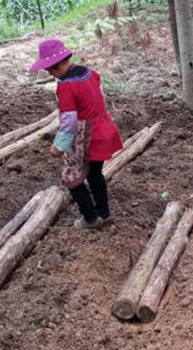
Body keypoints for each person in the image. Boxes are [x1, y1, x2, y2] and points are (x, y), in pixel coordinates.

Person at [29, 39, 123, 229]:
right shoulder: (90, 73)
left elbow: (69, 120)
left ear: (59, 65)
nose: (51, 75)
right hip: (102, 129)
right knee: (95, 173)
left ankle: (90, 219)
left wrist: (59, 145)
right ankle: (104, 214)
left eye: (51, 71)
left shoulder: (65, 86)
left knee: (71, 177)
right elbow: (101, 98)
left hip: (84, 136)